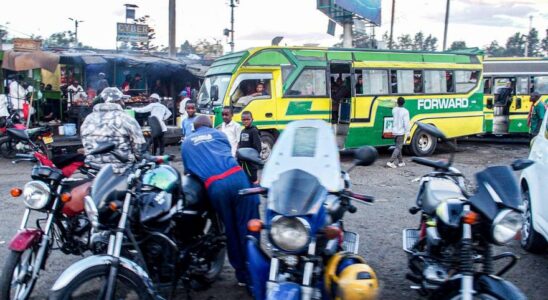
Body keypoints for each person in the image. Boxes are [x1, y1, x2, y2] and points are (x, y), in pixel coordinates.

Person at [181, 115, 260, 286]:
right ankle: (255, 275)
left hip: (216, 187)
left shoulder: (187, 142)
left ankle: (242, 277)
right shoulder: (219, 135)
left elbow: (189, 173)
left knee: (230, 231)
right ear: (210, 126)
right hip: (238, 178)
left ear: (194, 128)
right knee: (248, 228)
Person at [80, 87, 146, 173]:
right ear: (118, 101)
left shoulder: (89, 118)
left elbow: (84, 141)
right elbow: (139, 147)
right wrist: (139, 158)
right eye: (122, 100)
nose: (123, 102)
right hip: (121, 168)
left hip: (93, 166)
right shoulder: (126, 118)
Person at [237, 111, 262, 184]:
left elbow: (258, 147)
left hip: (251, 162)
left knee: (253, 180)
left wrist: (254, 159)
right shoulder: (243, 131)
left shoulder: (254, 131)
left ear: (252, 119)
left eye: (248, 119)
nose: (246, 121)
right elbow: (241, 144)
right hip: (243, 162)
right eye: (244, 120)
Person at [387, 97, 410, 168]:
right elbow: (406, 123)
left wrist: (394, 101)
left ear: (397, 103)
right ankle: (390, 161)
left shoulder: (394, 110)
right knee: (398, 147)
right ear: (404, 103)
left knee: (398, 146)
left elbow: (394, 106)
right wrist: (407, 132)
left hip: (394, 131)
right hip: (400, 132)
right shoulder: (405, 111)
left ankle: (401, 162)